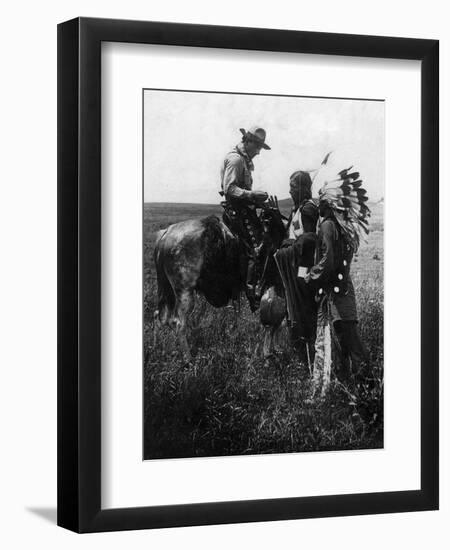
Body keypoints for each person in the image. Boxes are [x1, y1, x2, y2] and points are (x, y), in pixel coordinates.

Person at [305, 171, 370, 396]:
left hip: (336, 295)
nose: (318, 207)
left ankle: (367, 388)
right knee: (344, 340)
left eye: (321, 202)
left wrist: (311, 275)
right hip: (342, 291)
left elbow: (328, 261)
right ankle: (353, 388)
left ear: (329, 205)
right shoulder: (340, 227)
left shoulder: (327, 226)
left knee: (349, 341)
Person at [220, 126, 271, 310]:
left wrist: (257, 201)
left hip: (242, 209)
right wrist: (252, 195)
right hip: (237, 212)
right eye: (257, 146)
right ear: (247, 142)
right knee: (255, 249)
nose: (258, 152)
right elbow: (229, 189)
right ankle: (253, 295)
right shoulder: (236, 160)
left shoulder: (243, 160)